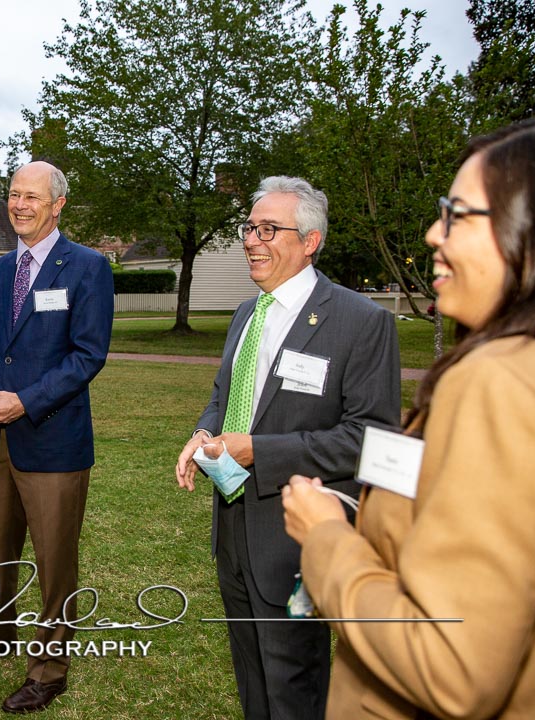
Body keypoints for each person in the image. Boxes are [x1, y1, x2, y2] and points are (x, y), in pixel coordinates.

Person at [281, 119, 535, 719]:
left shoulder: (502, 381)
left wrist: (327, 537)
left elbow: (452, 660)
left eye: (458, 215)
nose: (433, 233)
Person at [175, 176, 401, 719]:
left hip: (299, 541)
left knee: (294, 685)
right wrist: (205, 433)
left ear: (310, 240)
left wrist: (260, 451)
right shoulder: (245, 315)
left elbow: (371, 438)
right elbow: (224, 396)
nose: (252, 240)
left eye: (269, 229)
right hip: (232, 529)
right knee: (251, 677)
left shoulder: (361, 322)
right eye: (250, 227)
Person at [0, 161, 113, 713]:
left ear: (57, 204)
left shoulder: (86, 267)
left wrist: (26, 400)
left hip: (53, 440)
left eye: (31, 197)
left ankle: (50, 667)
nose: (18, 205)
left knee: (54, 559)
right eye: (13, 195)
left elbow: (89, 355)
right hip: (0, 440)